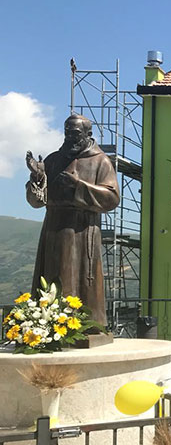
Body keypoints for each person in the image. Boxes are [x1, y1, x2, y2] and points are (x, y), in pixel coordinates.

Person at [25, 113, 120, 327]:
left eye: (75, 133)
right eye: (67, 132)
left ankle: (84, 326)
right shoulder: (53, 160)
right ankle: (48, 325)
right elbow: (36, 201)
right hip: (54, 227)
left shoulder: (100, 161)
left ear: (88, 134)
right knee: (52, 276)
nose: (69, 137)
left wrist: (79, 186)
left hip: (82, 229)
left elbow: (112, 198)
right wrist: (37, 177)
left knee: (82, 278)